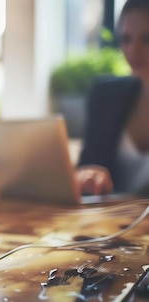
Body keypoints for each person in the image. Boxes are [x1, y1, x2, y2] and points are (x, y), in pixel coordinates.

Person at [76, 0, 149, 196]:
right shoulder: (106, 97)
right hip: (110, 223)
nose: (133, 51)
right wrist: (88, 176)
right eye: (126, 39)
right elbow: (85, 167)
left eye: (147, 39)